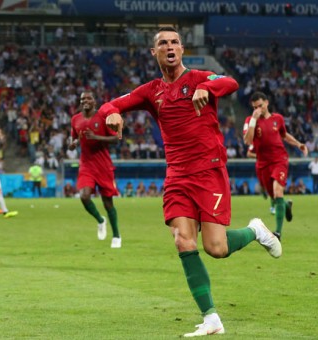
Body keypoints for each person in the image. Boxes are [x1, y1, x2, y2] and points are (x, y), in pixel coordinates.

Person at [102, 27, 281, 337]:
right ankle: (211, 317)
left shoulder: (200, 77)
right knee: (182, 239)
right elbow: (111, 104)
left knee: (216, 247)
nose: (169, 47)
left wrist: (207, 90)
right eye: (162, 43)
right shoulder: (150, 91)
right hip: (177, 176)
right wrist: (110, 114)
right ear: (154, 53)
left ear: (182, 49)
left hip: (209, 170)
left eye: (174, 42)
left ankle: (256, 231)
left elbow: (230, 82)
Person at [243, 91, 307, 240]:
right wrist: (253, 119)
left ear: (266, 103)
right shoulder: (250, 120)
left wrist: (298, 144)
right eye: (254, 107)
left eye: (260, 106)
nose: (258, 109)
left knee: (278, 192)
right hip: (263, 163)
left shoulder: (278, 119)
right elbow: (248, 141)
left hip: (279, 159)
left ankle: (277, 233)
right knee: (274, 197)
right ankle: (286, 205)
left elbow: (284, 135)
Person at [69, 91, 121, 248]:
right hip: (86, 164)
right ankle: (100, 220)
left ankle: (116, 236)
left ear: (94, 101)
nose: (85, 100)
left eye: (88, 98)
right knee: (84, 196)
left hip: (103, 165)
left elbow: (116, 138)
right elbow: (74, 137)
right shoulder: (75, 119)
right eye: (82, 98)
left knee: (108, 203)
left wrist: (97, 137)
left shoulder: (103, 117)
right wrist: (73, 144)